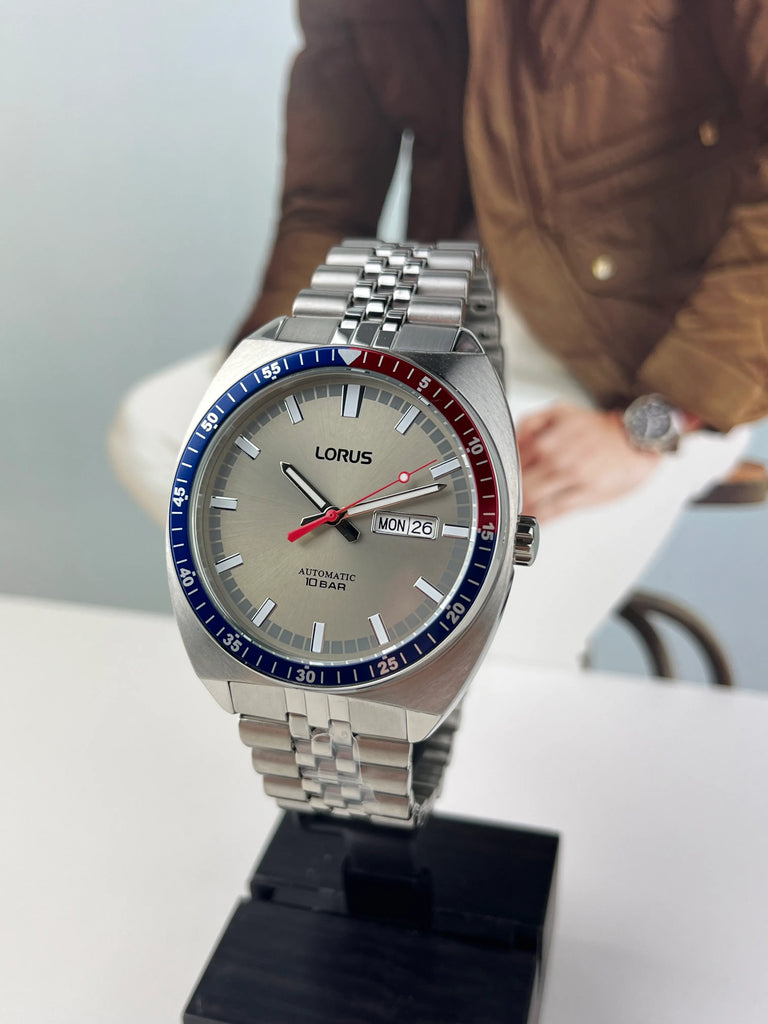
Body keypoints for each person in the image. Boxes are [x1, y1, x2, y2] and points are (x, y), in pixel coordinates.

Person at [111, 0, 765, 669]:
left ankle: (391, 655)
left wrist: (651, 422)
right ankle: (345, 642)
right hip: (437, 336)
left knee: (472, 656)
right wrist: (265, 388)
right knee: (162, 429)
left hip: (635, 375)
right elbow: (326, 206)